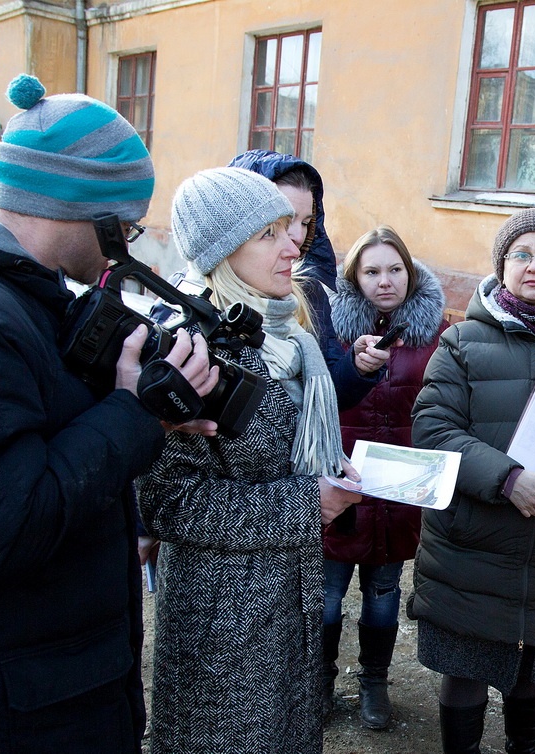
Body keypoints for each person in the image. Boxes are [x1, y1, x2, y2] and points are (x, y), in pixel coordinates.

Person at [0, 74, 218, 753]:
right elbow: (0, 527)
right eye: (126, 224)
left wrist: (143, 415)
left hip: (46, 683)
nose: (124, 242)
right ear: (85, 209)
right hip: (14, 708)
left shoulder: (18, 300)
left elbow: (38, 445)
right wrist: (135, 418)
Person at [135, 167, 362, 754]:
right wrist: (306, 502)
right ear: (220, 250)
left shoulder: (289, 337)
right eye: (269, 233)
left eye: (292, 229)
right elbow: (168, 502)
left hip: (288, 598)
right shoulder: (190, 350)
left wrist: (328, 475)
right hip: (223, 625)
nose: (293, 247)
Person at [409, 209, 535, 754]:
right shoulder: (462, 341)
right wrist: (508, 479)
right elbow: (433, 429)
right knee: (468, 668)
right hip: (474, 545)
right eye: (521, 254)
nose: (534, 265)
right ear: (501, 266)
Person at [323, 225, 448, 728]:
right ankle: (321, 680)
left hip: (401, 490)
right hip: (341, 484)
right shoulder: (328, 330)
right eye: (372, 271)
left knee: (383, 594)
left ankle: (374, 680)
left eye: (395, 269)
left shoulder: (438, 332)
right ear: (354, 276)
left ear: (410, 272)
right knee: (327, 598)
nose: (385, 281)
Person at [227, 148, 389, 409]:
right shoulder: (196, 301)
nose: (298, 236)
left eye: (305, 222)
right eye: (284, 220)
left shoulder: (308, 290)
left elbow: (329, 395)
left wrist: (356, 365)